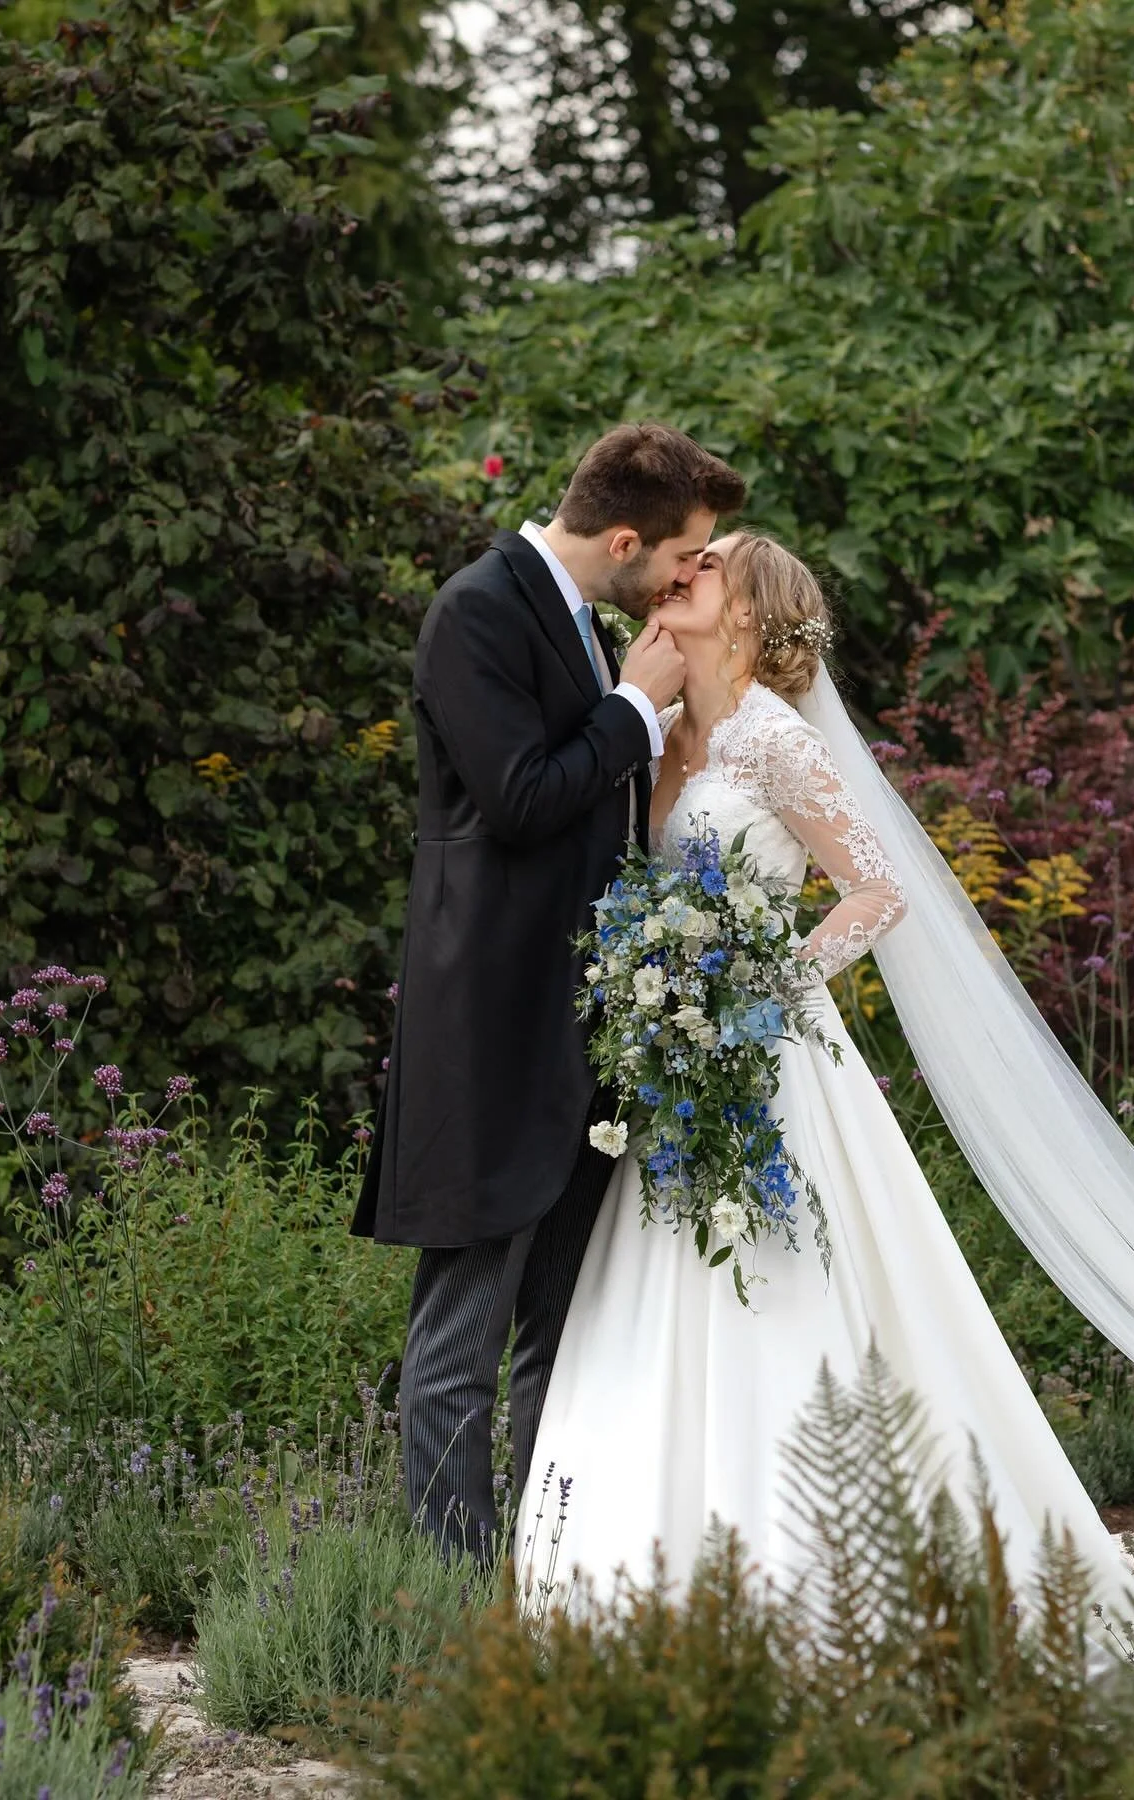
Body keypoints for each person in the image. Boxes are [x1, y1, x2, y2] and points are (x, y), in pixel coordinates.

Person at [515, 531, 1134, 1625]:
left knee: (783, 1286)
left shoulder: (776, 743)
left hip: (770, 1058)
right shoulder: (653, 734)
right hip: (674, 1069)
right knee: (648, 1295)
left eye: (705, 568)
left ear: (750, 612)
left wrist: (765, 988)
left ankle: (813, 1570)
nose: (680, 575)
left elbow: (874, 892)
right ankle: (629, 1571)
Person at [352, 422, 747, 1561]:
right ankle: (453, 1600)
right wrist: (629, 711)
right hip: (492, 1036)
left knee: (562, 1338)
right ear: (624, 539)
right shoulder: (478, 611)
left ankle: (547, 1578)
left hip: (585, 1041)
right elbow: (521, 799)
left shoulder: (584, 626)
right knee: (461, 1342)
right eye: (679, 558)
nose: (684, 581)